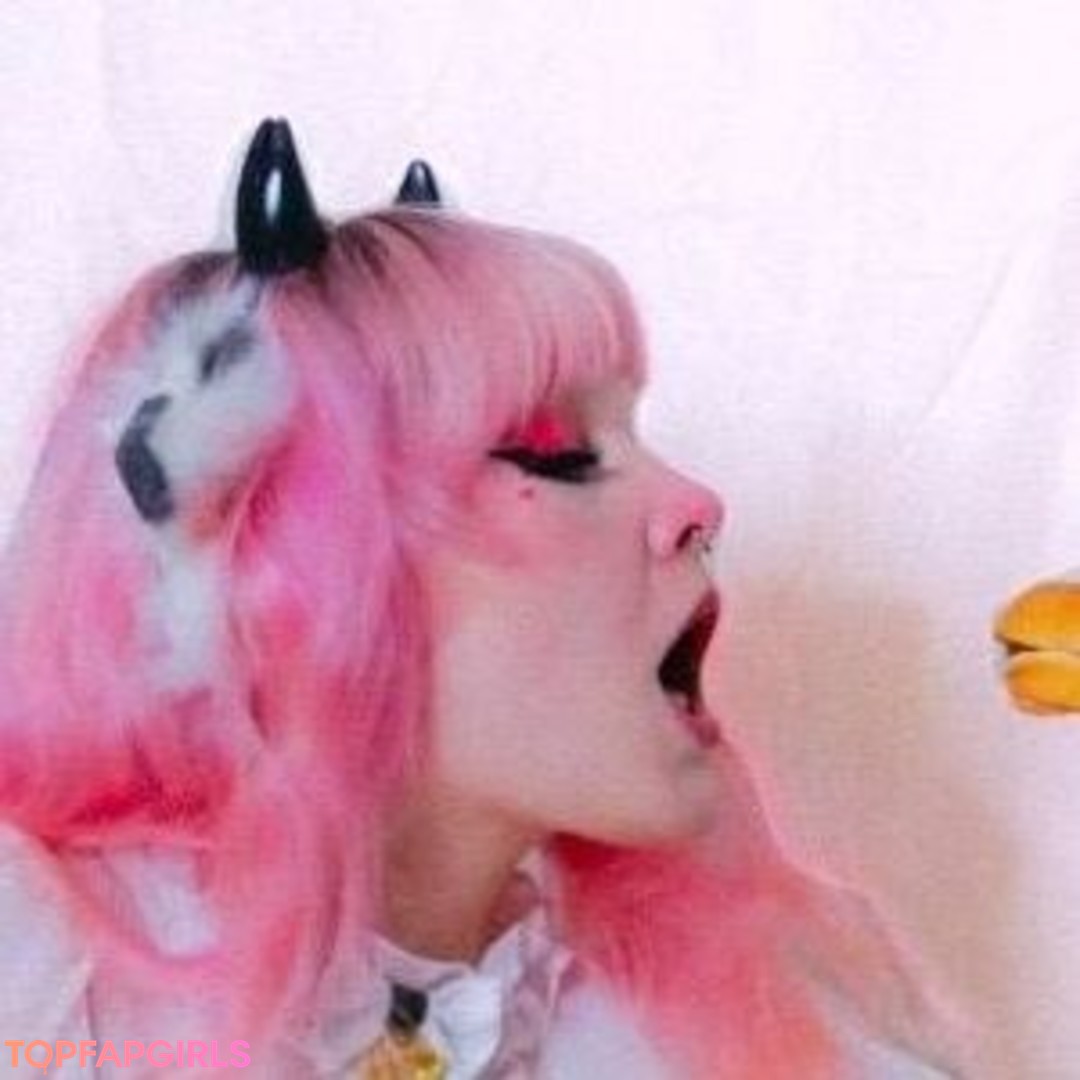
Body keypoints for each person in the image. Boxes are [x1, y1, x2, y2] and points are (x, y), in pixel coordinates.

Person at [0, 119, 966, 1078]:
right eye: (558, 451)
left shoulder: (728, 1027)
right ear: (286, 567)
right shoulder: (43, 982)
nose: (696, 504)